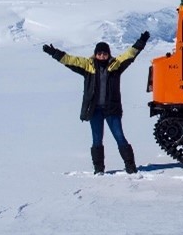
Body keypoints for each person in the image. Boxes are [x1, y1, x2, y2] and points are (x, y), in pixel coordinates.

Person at [43, 32, 150, 174]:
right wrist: (54, 52)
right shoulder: (88, 66)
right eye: (99, 54)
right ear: (95, 54)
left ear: (108, 54)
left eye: (104, 54)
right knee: (97, 139)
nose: (102, 56)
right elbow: (70, 60)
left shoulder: (116, 66)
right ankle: (99, 169)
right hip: (94, 110)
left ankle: (130, 167)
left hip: (111, 109)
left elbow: (130, 54)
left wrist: (141, 41)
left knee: (120, 137)